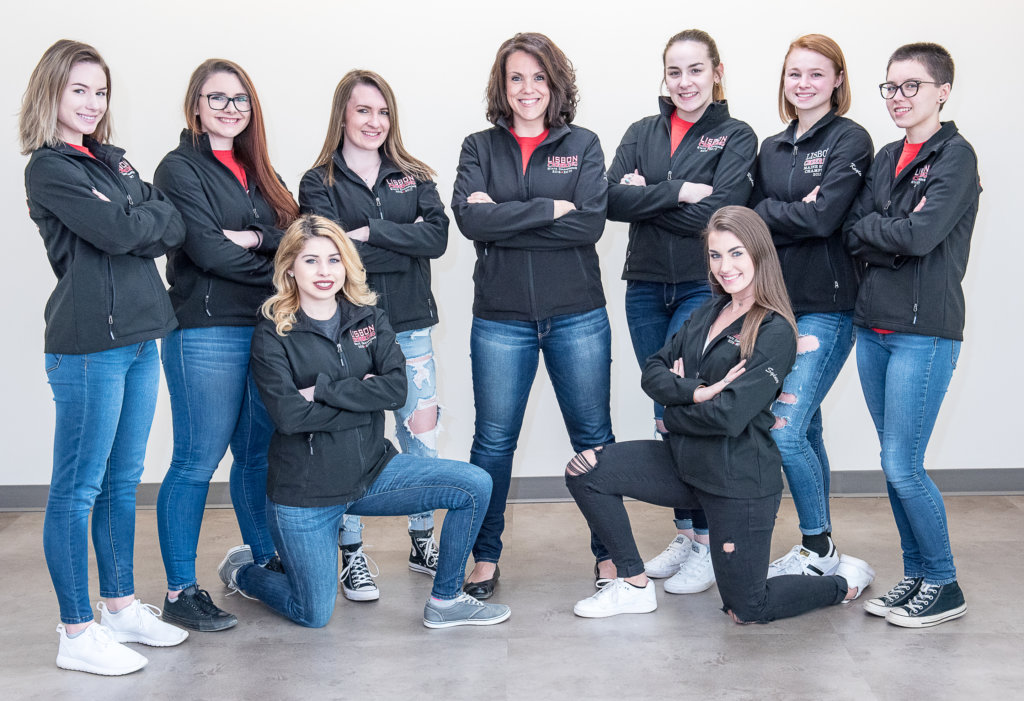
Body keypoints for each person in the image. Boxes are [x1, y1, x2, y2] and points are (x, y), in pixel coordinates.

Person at [566, 206, 875, 621]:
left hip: (737, 481)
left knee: (745, 607)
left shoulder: (775, 330)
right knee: (585, 470)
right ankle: (634, 585)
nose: (725, 267)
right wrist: (696, 393)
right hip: (685, 465)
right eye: (715, 255)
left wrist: (672, 415)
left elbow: (729, 415)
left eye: (736, 253)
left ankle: (845, 583)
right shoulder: (708, 313)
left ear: (759, 254)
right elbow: (653, 371)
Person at [223, 214, 509, 630]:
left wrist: (323, 390)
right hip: (306, 495)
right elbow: (290, 417)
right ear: (289, 268)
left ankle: (446, 601)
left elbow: (396, 392)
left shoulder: (369, 319)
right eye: (311, 261)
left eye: (334, 259)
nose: (324, 271)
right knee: (313, 613)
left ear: (347, 265)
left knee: (474, 484)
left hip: (373, 474)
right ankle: (243, 572)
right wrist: (363, 394)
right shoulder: (273, 333)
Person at [20, 39, 188, 674]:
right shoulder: (49, 168)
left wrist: (133, 211)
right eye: (79, 90)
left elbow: (172, 223)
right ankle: (75, 631)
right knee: (78, 488)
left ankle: (118, 608)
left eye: (101, 91)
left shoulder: (112, 160)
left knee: (122, 481)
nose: (92, 102)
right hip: (90, 346)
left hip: (142, 336)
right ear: (52, 93)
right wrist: (133, 213)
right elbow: (121, 231)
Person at [452, 32, 614, 598]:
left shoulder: (584, 144)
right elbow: (469, 221)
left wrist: (503, 217)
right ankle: (484, 556)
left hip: (577, 313)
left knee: (593, 437)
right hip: (500, 318)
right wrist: (549, 208)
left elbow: (589, 224)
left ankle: (611, 554)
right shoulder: (478, 147)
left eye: (539, 77)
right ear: (502, 86)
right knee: (493, 443)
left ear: (555, 84)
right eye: (516, 77)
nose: (528, 89)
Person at [606, 29, 757, 595]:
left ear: (717, 72)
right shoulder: (641, 132)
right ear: (664, 76)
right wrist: (679, 191)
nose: (685, 81)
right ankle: (687, 532)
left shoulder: (736, 135)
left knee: (697, 401)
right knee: (664, 401)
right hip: (645, 286)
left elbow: (722, 215)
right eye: (675, 71)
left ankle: (708, 540)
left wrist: (650, 194)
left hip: (702, 287)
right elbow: (610, 199)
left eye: (696, 70)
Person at [152, 58, 297, 631]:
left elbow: (297, 233)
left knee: (256, 457)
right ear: (196, 105)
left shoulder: (258, 168)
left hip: (262, 330)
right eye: (217, 98)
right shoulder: (179, 168)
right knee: (196, 461)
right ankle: (180, 591)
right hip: (205, 331)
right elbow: (208, 251)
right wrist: (281, 272)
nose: (230, 109)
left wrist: (257, 237)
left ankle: (264, 559)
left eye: (240, 99)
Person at [844, 43, 980, 628]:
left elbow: (922, 236)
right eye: (891, 87)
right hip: (873, 328)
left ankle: (944, 583)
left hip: (924, 333)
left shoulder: (956, 157)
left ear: (942, 92)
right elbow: (853, 231)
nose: (898, 97)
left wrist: (891, 232)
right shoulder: (885, 157)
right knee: (893, 462)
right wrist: (892, 232)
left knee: (903, 465)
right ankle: (915, 576)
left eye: (911, 86)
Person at [299, 70, 448, 602]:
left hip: (409, 327)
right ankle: (352, 554)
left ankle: (422, 541)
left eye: (383, 112)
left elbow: (437, 238)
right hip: (346, 331)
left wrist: (369, 233)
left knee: (420, 438)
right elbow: (328, 253)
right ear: (343, 114)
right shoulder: (318, 182)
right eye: (364, 110)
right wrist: (397, 243)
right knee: (348, 442)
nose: (374, 122)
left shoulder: (414, 175)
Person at [749, 34, 874, 578]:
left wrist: (774, 211)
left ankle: (817, 547)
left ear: (838, 80)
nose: (804, 84)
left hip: (827, 306)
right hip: (777, 306)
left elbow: (824, 219)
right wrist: (788, 209)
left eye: (817, 73)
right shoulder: (771, 147)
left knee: (784, 428)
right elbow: (749, 218)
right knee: (808, 429)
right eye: (795, 73)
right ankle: (821, 545)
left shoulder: (851, 139)